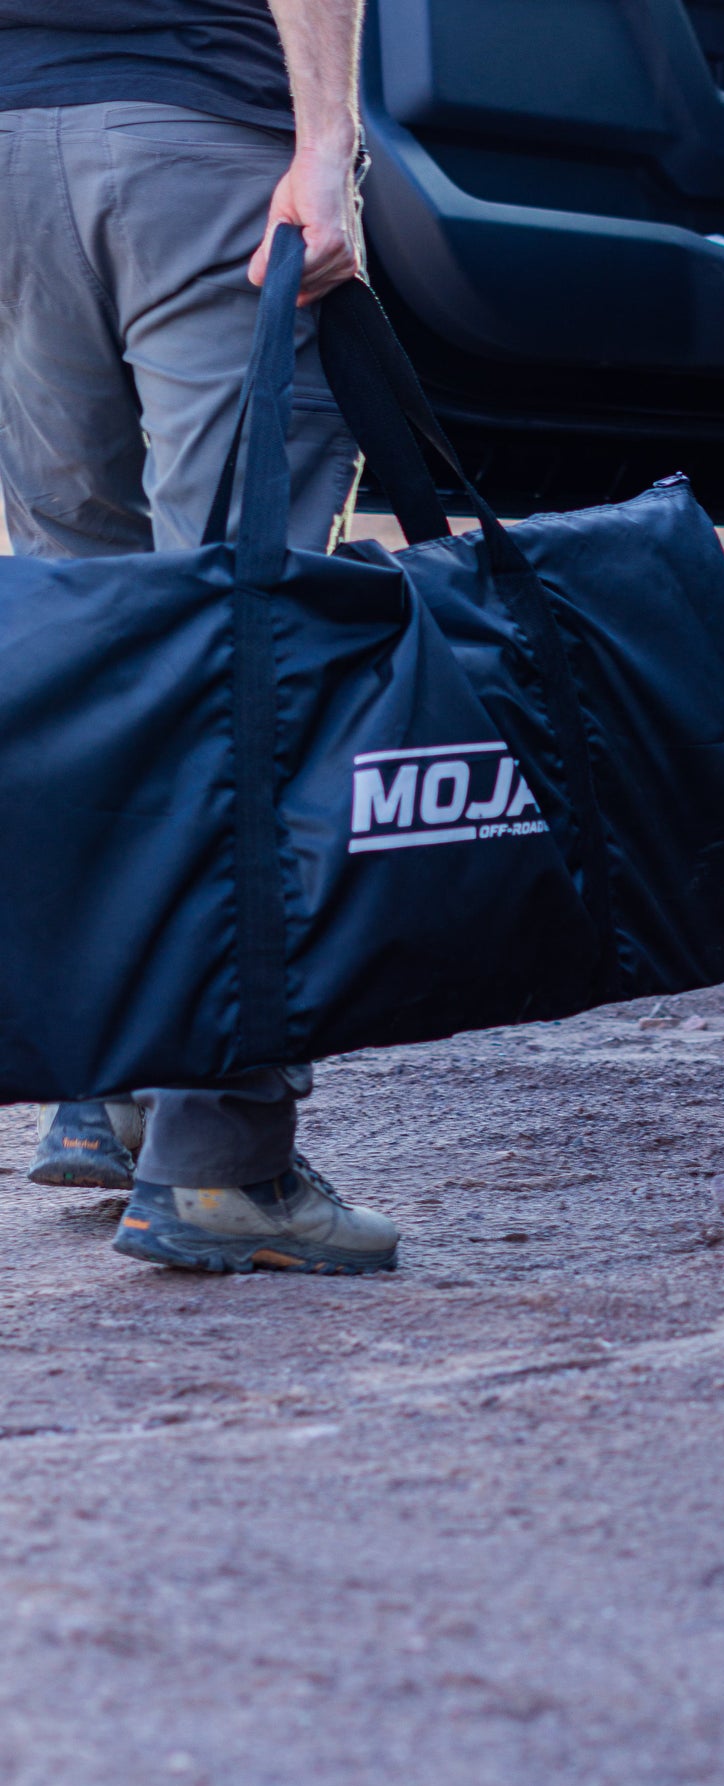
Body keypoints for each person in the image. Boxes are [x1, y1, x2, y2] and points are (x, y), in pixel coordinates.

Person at [0, 0, 400, 1274]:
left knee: (90, 645)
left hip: (12, 154)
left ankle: (107, 1086)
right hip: (194, 144)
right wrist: (328, 144)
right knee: (241, 643)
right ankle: (224, 1162)